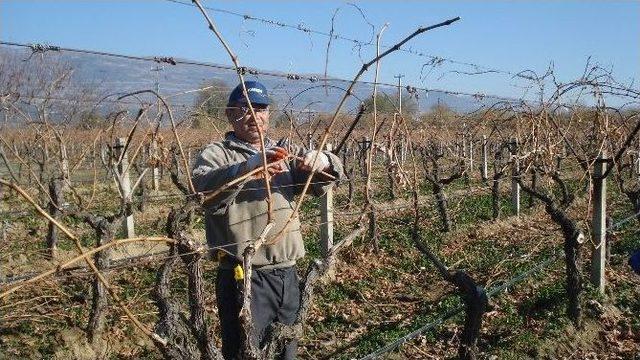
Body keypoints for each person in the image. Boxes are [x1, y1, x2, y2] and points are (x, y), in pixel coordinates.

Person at [191, 80, 344, 359]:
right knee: (246, 352)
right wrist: (248, 167)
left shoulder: (283, 153)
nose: (255, 116)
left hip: (287, 274)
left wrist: (323, 160)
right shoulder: (216, 154)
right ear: (229, 113)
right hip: (244, 276)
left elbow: (327, 178)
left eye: (260, 109)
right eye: (245, 108)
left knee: (286, 350)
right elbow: (203, 190)